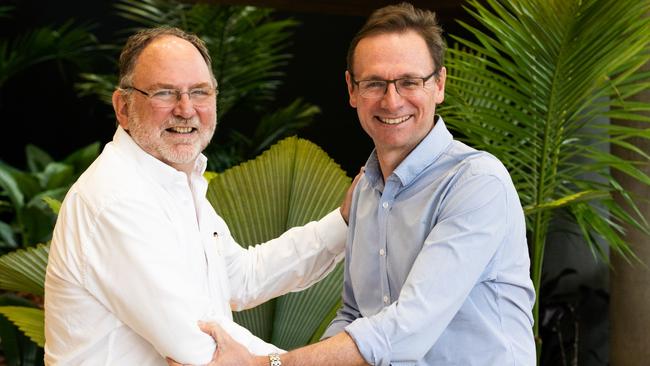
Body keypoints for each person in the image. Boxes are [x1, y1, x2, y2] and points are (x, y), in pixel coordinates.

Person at [191, 2, 536, 365]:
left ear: (439, 85)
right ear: (352, 90)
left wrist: (271, 364)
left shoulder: (476, 183)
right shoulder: (367, 191)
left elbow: (409, 326)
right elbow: (354, 316)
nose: (392, 100)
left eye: (409, 82)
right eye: (374, 83)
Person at [44, 26, 357, 365]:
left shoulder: (171, 181)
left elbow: (241, 277)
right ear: (123, 107)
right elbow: (203, 348)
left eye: (200, 92)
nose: (186, 109)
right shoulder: (118, 198)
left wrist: (344, 221)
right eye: (164, 93)